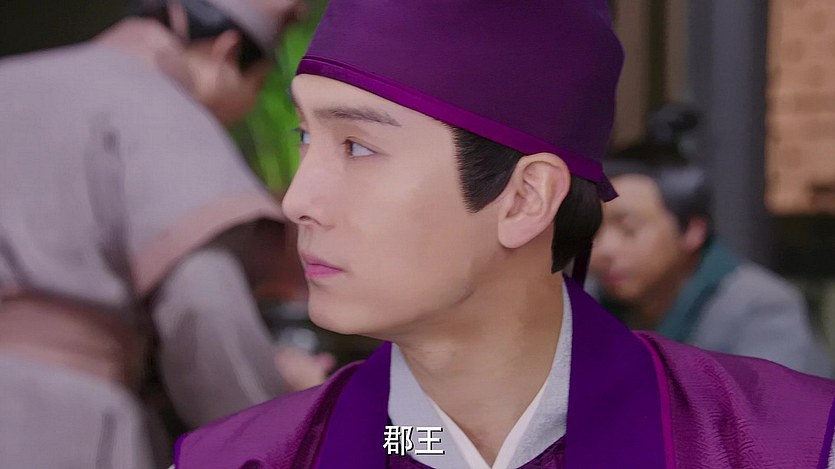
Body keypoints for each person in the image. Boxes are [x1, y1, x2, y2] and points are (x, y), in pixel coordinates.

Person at [176, 1, 835, 468]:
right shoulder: (246, 459)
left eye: (357, 146)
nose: (297, 201)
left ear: (524, 198)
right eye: (304, 135)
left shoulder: (778, 445)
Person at [0, 0, 331, 467]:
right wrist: (278, 406)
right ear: (225, 53)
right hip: (59, 431)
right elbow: (202, 308)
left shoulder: (11, 79)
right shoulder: (162, 108)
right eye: (256, 88)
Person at [589, 108, 833, 378]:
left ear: (692, 230)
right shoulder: (586, 300)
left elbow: (771, 403)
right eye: (594, 230)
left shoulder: (760, 309)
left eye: (629, 230)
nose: (604, 249)